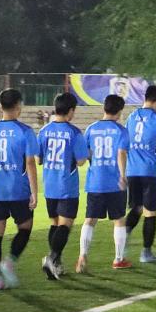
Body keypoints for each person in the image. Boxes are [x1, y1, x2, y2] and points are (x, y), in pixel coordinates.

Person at [0, 89, 40, 290]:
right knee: (25, 228)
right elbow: (30, 163)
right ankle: (10, 260)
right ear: (18, 106)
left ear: (0, 106)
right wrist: (34, 192)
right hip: (18, 189)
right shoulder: (25, 131)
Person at [36, 92, 89, 278]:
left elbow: (38, 159)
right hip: (66, 185)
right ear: (71, 110)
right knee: (65, 225)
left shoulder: (44, 131)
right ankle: (51, 258)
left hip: (49, 184)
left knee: (55, 224)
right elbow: (81, 161)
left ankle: (56, 264)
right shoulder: (74, 133)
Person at [79, 93, 132, 271]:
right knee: (118, 219)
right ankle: (118, 259)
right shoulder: (121, 131)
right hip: (114, 183)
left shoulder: (91, 129)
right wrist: (123, 175)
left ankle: (82, 255)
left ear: (104, 108)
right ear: (120, 111)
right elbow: (121, 153)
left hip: (95, 181)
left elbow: (86, 154)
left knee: (90, 219)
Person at [123, 84, 156, 264]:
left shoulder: (131, 117)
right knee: (150, 212)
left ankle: (124, 236)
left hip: (132, 170)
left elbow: (125, 144)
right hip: (151, 171)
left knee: (136, 207)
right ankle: (146, 253)